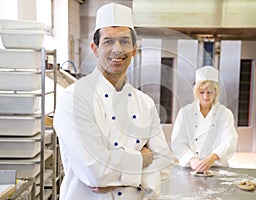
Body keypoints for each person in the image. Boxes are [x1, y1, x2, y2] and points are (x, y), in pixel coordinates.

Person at [53, 3, 173, 200]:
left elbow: (165, 164)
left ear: (135, 49)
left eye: (125, 41)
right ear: (95, 48)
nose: (117, 50)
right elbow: (95, 172)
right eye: (108, 41)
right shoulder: (74, 98)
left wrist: (115, 170)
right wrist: (143, 158)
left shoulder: (145, 103)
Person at [171, 66, 238, 173]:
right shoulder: (185, 112)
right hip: (190, 167)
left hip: (216, 166)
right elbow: (177, 141)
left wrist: (212, 158)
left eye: (210, 92)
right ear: (196, 92)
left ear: (216, 92)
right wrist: (192, 159)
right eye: (202, 92)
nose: (206, 97)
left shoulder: (225, 113)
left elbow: (229, 140)